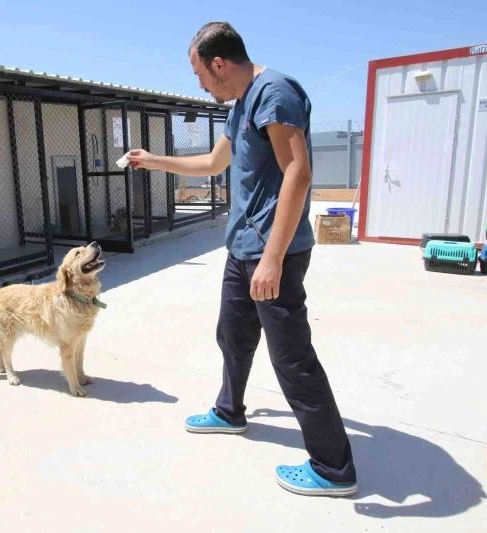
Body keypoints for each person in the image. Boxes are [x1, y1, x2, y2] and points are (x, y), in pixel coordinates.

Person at [125, 22, 357, 497]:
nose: (199, 85)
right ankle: (229, 412)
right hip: (243, 248)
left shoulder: (275, 92)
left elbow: (298, 170)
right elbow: (213, 164)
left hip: (275, 252)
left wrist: (273, 257)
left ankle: (334, 468)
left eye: (199, 74)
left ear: (218, 64)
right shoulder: (241, 104)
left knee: (292, 358)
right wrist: (154, 160)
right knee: (232, 335)